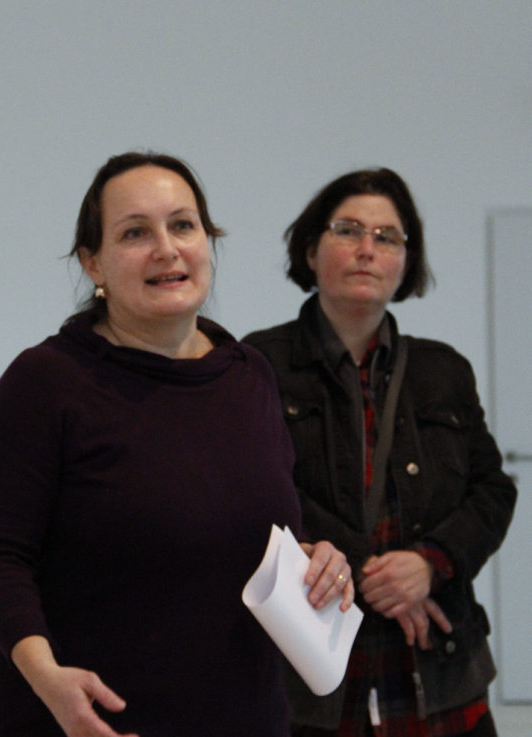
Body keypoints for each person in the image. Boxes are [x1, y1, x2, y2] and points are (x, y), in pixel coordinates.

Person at [0, 151, 355, 737]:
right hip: (88, 723)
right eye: (135, 233)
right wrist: (47, 677)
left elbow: (260, 539)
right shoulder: (44, 384)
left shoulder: (249, 374)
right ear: (92, 262)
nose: (167, 249)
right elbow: (0, 559)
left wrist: (317, 562)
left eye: (183, 225)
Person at [244, 168, 517, 736]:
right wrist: (371, 569)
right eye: (348, 230)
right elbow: (249, 493)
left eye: (387, 237)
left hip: (439, 671)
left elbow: (492, 490)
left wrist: (430, 563)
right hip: (311, 669)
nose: (367, 249)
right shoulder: (257, 365)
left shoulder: (443, 370)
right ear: (311, 250)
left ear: (405, 261)